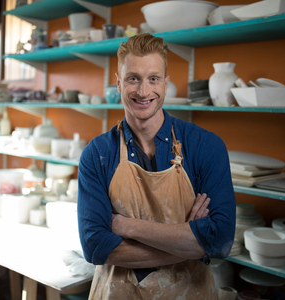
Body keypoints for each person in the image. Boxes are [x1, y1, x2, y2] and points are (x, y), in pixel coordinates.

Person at [77, 33, 236, 299]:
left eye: (153, 78)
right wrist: (192, 243)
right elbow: (95, 247)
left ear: (165, 82)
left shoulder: (206, 146)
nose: (143, 91)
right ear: (118, 83)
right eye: (133, 79)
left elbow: (219, 240)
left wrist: (127, 227)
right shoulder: (97, 154)